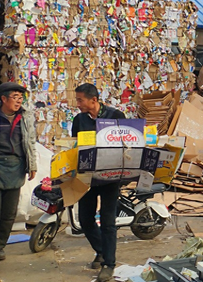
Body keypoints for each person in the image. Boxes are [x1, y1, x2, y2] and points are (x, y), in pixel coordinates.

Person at [0, 82, 37, 263]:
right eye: (15, 97)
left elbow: (30, 142)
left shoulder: (26, 117)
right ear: (4, 99)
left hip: (15, 168)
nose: (19, 102)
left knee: (9, 213)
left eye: (21, 98)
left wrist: (32, 165)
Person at [71, 83, 125, 282]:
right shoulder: (79, 120)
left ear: (93, 100)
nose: (77, 104)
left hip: (111, 177)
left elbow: (127, 144)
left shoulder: (115, 115)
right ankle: (102, 249)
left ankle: (109, 264)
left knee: (108, 221)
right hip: (88, 177)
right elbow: (75, 146)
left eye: (80, 100)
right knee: (85, 220)